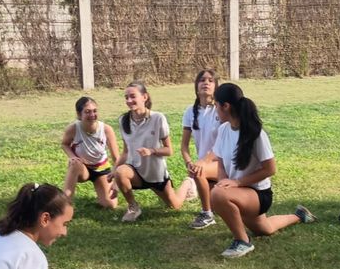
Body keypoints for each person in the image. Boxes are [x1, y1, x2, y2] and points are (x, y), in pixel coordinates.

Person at [210, 83, 316, 258]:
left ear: (225, 106)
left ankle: (243, 241)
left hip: (259, 194)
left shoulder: (256, 134)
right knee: (264, 229)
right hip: (239, 193)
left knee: (217, 194)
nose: (215, 110)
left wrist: (236, 183)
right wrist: (223, 183)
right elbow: (221, 164)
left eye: (216, 105)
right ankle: (299, 215)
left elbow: (270, 169)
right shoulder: (223, 130)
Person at [112, 80, 195, 222]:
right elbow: (126, 152)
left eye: (133, 96)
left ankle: (188, 183)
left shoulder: (158, 118)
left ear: (145, 97)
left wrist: (151, 151)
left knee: (175, 205)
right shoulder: (123, 121)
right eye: (126, 97)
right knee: (121, 172)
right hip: (135, 173)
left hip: (156, 174)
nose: (129, 101)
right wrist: (114, 172)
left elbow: (169, 150)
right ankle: (133, 207)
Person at [179, 68, 222, 229]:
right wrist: (189, 162)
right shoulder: (190, 112)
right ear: (196, 86)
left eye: (211, 80)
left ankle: (207, 214)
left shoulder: (221, 109)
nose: (206, 83)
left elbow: (222, 145)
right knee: (199, 172)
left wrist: (203, 162)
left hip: (222, 163)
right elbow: (184, 146)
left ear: (216, 86)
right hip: (203, 165)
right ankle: (206, 198)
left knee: (200, 171)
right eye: (202, 80)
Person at [61, 96, 119, 209]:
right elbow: (64, 144)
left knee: (110, 205)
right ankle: (65, 205)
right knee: (74, 163)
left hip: (101, 169)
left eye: (94, 111)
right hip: (83, 168)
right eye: (87, 112)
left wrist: (116, 182)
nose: (92, 115)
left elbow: (116, 158)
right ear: (79, 114)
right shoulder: (73, 128)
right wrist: (72, 156)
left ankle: (101, 191)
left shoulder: (106, 129)